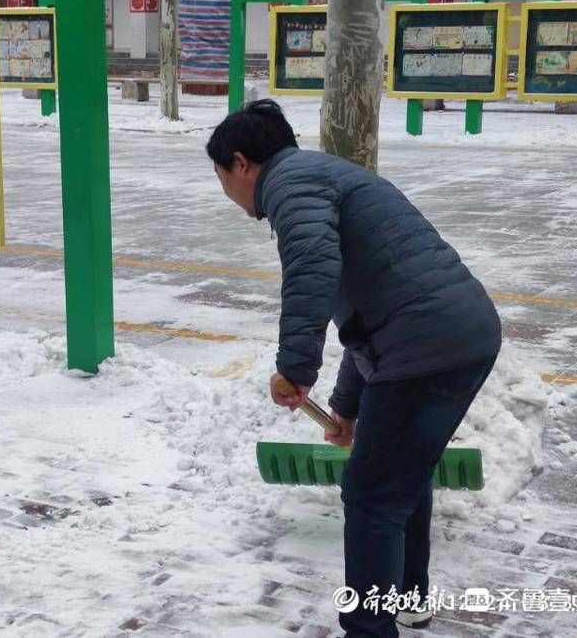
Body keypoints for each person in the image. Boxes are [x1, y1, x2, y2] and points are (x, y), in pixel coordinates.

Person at [206, 100, 501, 638]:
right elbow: (366, 320)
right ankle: (408, 598)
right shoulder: (321, 176)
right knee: (400, 475)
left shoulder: (289, 187)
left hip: (427, 343)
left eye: (223, 178)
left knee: (371, 494)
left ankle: (368, 628)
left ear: (242, 163)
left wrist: (295, 367)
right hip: (457, 333)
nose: (228, 194)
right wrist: (346, 408)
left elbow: (312, 268)